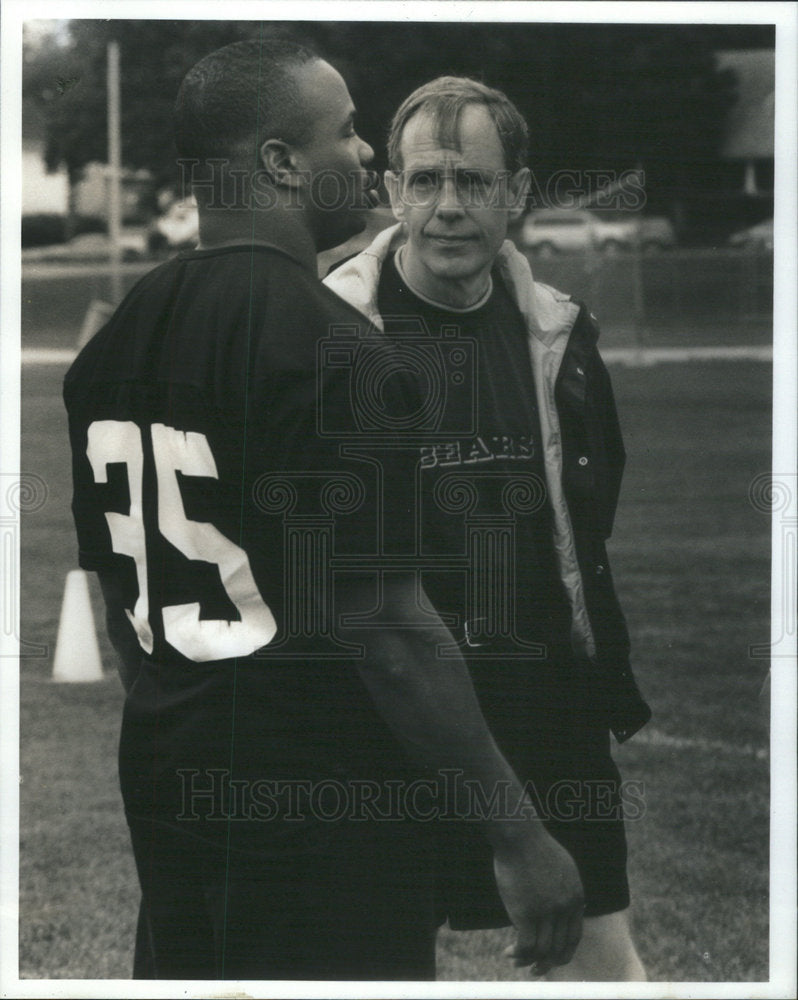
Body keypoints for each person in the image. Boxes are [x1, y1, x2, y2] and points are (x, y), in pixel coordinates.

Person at [64, 40, 585, 981]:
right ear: (278, 163)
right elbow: (388, 629)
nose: (364, 156)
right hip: (316, 809)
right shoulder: (338, 346)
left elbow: (121, 598)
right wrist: (520, 838)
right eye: (344, 130)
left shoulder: (116, 343)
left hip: (168, 782)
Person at [324, 76, 652, 981]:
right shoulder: (332, 333)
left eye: (473, 182)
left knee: (601, 963)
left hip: (547, 705)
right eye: (423, 180)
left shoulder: (560, 333)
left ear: (518, 193)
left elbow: (589, 518)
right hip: (387, 713)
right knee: (372, 967)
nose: (447, 207)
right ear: (392, 191)